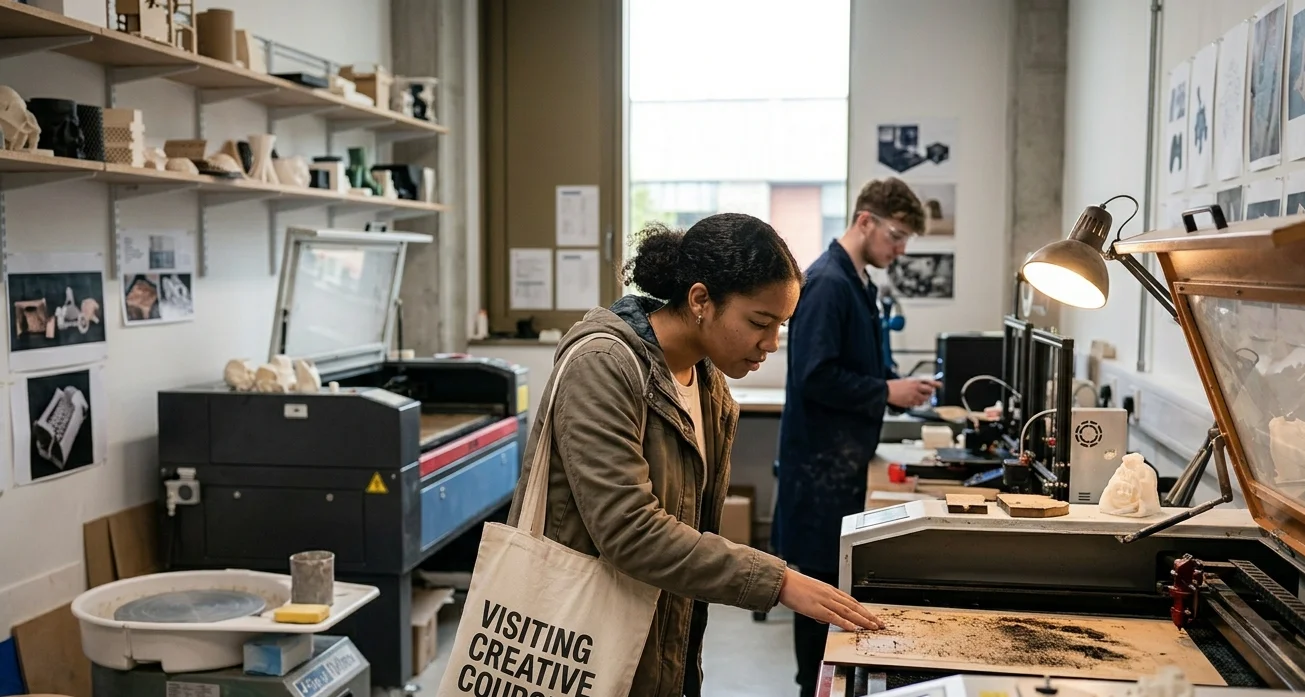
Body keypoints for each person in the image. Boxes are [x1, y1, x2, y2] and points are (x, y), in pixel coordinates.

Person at [505, 213, 881, 697]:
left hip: (661, 644)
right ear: (701, 300)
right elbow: (629, 531)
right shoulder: (602, 367)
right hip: (576, 645)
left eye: (781, 326)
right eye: (759, 323)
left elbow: (688, 533)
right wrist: (778, 581)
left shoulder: (709, 385)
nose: (770, 344)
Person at [773, 178, 941, 697]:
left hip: (843, 465)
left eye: (907, 239)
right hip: (821, 472)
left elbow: (856, 364)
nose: (900, 248)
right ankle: (810, 689)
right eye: (896, 235)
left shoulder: (858, 281)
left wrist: (891, 385)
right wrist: (887, 390)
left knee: (832, 591)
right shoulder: (827, 283)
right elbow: (815, 376)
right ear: (864, 221)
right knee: (817, 594)